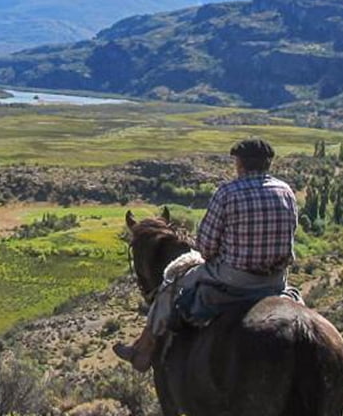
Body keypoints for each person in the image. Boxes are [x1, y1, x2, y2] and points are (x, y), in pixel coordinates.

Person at [113, 137, 299, 371]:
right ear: (267, 164)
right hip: (276, 280)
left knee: (170, 283)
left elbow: (205, 247)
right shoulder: (287, 192)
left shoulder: (228, 193)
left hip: (233, 279)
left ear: (240, 164)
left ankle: (142, 352)